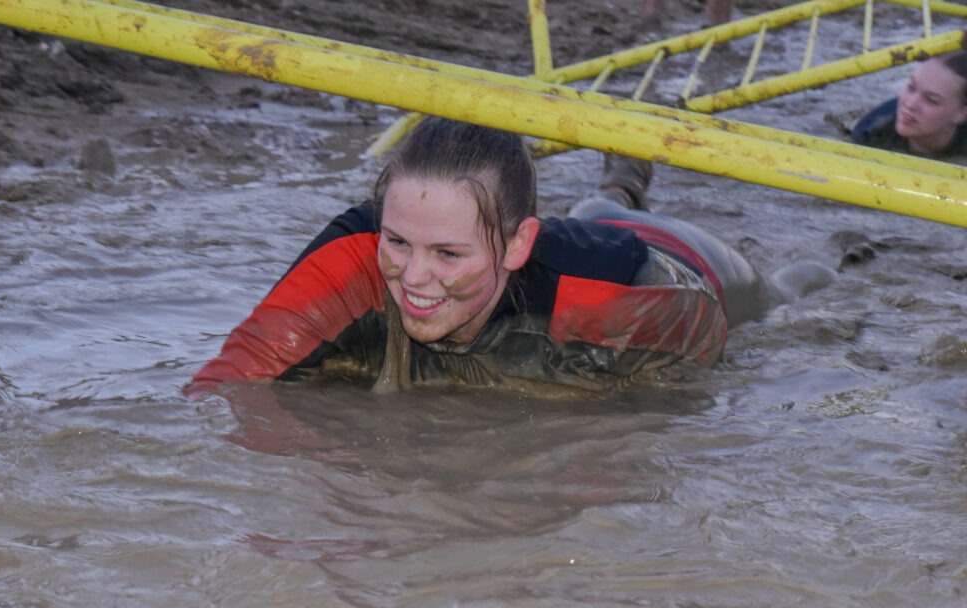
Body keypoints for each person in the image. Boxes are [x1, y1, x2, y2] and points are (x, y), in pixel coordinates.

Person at [184, 116, 773, 398]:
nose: (414, 277)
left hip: (682, 261)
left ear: (518, 246)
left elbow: (697, 358)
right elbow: (221, 395)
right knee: (591, 210)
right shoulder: (352, 257)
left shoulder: (615, 298)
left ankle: (624, 184)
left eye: (447, 253)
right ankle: (621, 180)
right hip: (532, 232)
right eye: (397, 242)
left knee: (788, 291)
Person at [851, 50, 967, 159]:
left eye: (931, 100)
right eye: (911, 87)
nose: (910, 104)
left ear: (962, 113)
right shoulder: (870, 135)